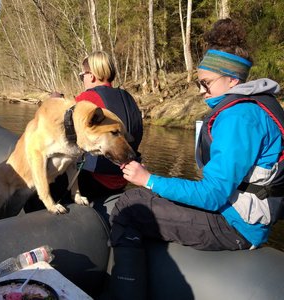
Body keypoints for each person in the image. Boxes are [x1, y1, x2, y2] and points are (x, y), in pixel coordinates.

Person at [108, 18, 284, 299]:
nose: (201, 91)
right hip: (238, 214)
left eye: (206, 83)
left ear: (232, 79)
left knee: (130, 206)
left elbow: (214, 195)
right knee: (141, 199)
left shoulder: (239, 117)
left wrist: (147, 179)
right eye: (199, 82)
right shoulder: (254, 108)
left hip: (236, 226)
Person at [75, 50, 143, 200]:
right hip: (124, 177)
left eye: (82, 76)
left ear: (91, 75)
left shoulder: (86, 99)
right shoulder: (128, 98)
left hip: (92, 179)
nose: (83, 79)